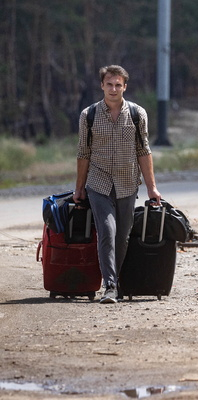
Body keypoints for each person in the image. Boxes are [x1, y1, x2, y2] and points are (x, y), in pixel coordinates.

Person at [74, 65, 161, 304]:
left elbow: (144, 151)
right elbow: (83, 153)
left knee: (122, 236)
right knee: (107, 230)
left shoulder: (137, 114)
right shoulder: (88, 115)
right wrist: (79, 188)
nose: (113, 89)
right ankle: (110, 286)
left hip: (127, 182)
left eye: (118, 85)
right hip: (98, 182)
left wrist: (152, 187)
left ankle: (117, 280)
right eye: (109, 84)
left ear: (125, 87)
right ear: (102, 85)